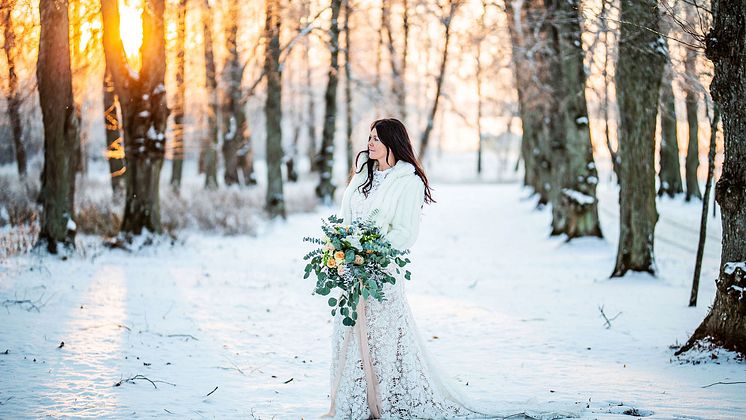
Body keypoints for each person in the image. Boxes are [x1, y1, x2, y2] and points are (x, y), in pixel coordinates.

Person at [323, 118, 582, 419]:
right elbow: (344, 218)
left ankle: (387, 401)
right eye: (369, 137)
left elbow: (405, 233)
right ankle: (352, 403)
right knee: (348, 334)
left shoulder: (409, 182)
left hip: (381, 272)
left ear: (392, 143)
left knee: (383, 340)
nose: (369, 144)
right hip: (351, 273)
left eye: (376, 139)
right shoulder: (360, 178)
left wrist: (369, 253)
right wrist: (341, 248)